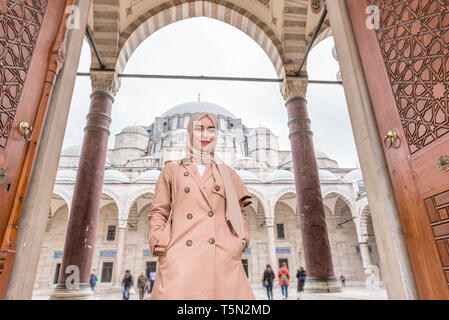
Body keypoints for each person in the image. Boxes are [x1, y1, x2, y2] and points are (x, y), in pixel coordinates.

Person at [148, 112, 255, 300]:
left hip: (221, 254)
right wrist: (158, 238)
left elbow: (239, 211)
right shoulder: (172, 169)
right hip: (181, 253)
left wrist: (241, 241)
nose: (205, 135)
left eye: (211, 130)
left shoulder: (228, 173)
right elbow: (159, 210)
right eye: (199, 129)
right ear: (190, 133)